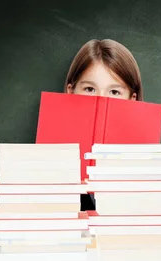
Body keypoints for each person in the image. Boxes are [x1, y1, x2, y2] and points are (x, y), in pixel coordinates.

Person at [63, 39, 144, 211]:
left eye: (114, 92)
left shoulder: (149, 164)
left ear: (132, 99)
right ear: (71, 91)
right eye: (89, 89)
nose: (101, 100)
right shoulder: (44, 158)